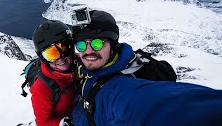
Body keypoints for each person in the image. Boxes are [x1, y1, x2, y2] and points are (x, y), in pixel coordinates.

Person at [71, 10, 222, 126]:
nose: (89, 51)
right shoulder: (84, 69)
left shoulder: (117, 88)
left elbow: (151, 104)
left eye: (97, 43)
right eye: (82, 45)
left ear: (113, 45)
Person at [30, 20, 76, 126]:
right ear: (43, 58)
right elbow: (42, 122)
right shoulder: (42, 87)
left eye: (64, 48)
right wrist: (62, 123)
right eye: (51, 54)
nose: (60, 58)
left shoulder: (81, 63)